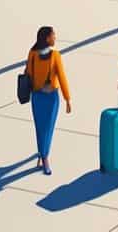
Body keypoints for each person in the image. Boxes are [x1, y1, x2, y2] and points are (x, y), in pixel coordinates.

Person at [25, 26, 72, 175]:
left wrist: (67, 98)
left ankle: (44, 157)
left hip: (52, 97)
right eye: (53, 36)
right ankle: (42, 154)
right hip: (38, 96)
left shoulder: (56, 55)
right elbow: (28, 73)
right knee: (40, 128)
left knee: (48, 128)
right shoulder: (32, 54)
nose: (55, 38)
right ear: (46, 38)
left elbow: (62, 77)